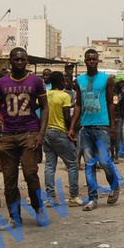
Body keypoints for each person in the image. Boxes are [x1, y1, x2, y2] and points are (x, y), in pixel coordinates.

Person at [0, 48, 49, 228]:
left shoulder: (36, 81)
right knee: (9, 179)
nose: (19, 62)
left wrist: (41, 133)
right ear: (10, 61)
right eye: (16, 59)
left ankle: (38, 208)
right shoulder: (1, 83)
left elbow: (44, 107)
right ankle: (14, 217)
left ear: (27, 61)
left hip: (29, 132)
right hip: (8, 134)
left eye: (22, 60)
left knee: (30, 174)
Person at [69, 49, 119, 211]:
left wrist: (112, 127)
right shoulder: (79, 81)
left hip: (102, 126)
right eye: (89, 59)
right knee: (89, 164)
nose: (91, 62)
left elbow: (110, 103)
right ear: (85, 61)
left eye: (94, 59)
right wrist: (72, 127)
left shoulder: (106, 79)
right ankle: (92, 198)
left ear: (98, 61)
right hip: (86, 127)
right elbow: (78, 104)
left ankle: (114, 186)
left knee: (104, 162)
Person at [43, 72, 81, 207]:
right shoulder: (64, 96)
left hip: (46, 132)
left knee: (49, 165)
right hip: (60, 132)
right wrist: (72, 129)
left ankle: (50, 197)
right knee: (72, 164)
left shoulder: (45, 95)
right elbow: (66, 117)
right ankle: (73, 196)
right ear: (60, 82)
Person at [111, 76, 124, 163]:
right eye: (121, 82)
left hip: (119, 117)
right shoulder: (111, 92)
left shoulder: (123, 94)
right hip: (110, 118)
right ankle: (111, 154)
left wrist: (123, 116)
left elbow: (123, 107)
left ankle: (116, 155)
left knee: (117, 137)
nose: (122, 84)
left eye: (123, 82)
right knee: (111, 137)